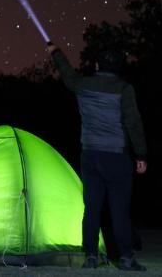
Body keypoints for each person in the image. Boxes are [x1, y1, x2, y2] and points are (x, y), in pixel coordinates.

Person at [47, 42, 148, 271]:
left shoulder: (83, 85)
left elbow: (67, 73)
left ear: (96, 65)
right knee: (119, 210)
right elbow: (133, 123)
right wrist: (141, 154)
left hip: (90, 156)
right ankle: (126, 259)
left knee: (91, 209)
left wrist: (56, 52)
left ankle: (91, 257)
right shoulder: (124, 89)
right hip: (117, 157)